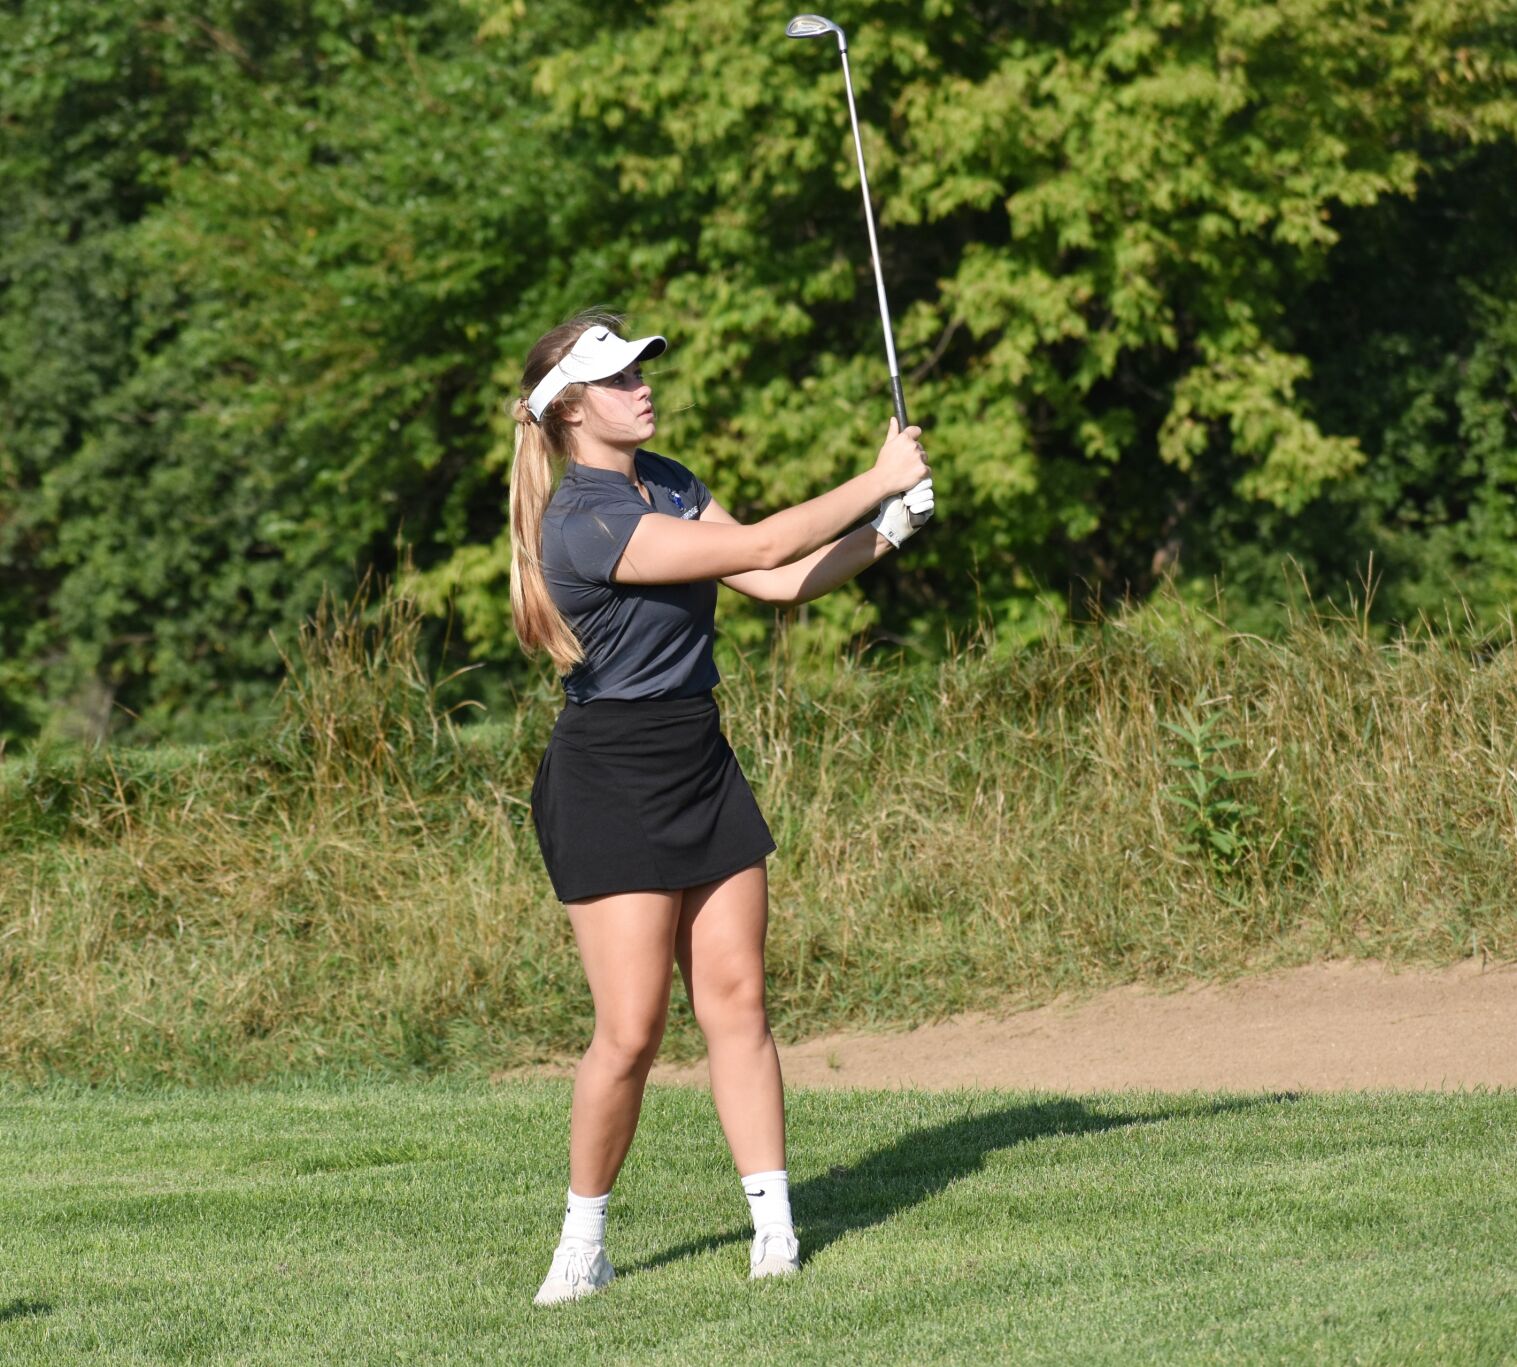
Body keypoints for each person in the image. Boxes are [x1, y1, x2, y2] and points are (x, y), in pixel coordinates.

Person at [509, 310, 934, 1306]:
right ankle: (584, 1238)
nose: (641, 387)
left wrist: (887, 528)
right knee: (631, 1028)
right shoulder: (584, 518)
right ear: (570, 410)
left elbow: (777, 577)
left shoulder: (668, 480)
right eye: (616, 379)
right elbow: (765, 536)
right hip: (607, 776)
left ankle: (774, 1230)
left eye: (641, 369)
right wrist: (872, 476)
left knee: (736, 998)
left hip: (695, 754)